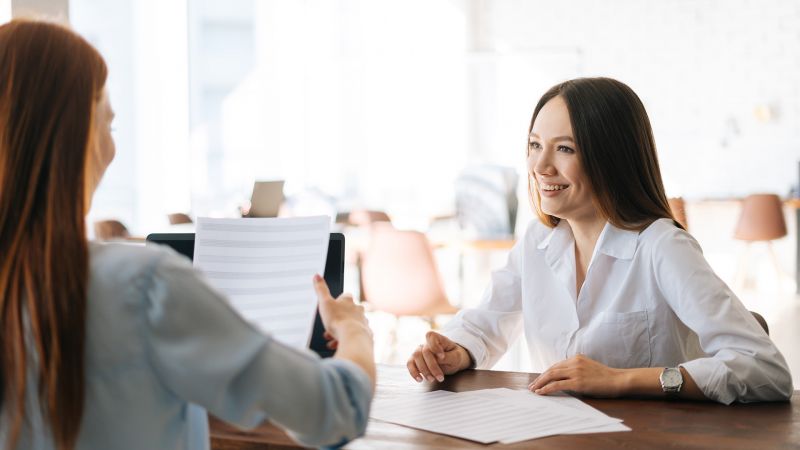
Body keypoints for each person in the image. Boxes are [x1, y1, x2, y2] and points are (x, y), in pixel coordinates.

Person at [0, 20, 375, 450]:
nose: (112, 146)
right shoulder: (144, 285)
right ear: (81, 138)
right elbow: (335, 411)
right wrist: (354, 331)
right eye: (110, 124)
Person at [407, 77, 793, 404]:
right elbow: (486, 324)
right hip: (555, 434)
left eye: (564, 148)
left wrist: (621, 379)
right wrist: (455, 351)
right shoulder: (537, 241)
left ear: (611, 159)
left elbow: (765, 369)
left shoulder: (661, 246)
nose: (540, 167)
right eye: (535, 145)